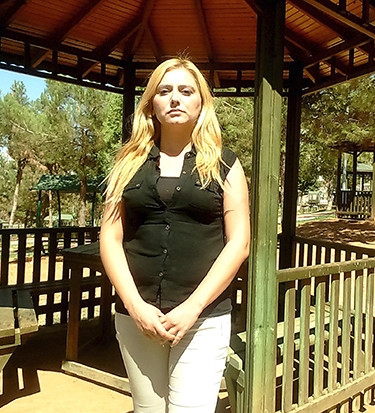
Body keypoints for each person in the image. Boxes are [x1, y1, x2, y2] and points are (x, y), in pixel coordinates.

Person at [99, 57, 250, 413]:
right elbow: (110, 237)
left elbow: (239, 243)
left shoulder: (226, 165)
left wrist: (191, 308)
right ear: (152, 103)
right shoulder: (127, 164)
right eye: (164, 91)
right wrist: (135, 306)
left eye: (186, 91)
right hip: (137, 318)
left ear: (201, 103)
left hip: (203, 319)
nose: (175, 98)